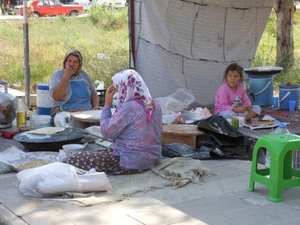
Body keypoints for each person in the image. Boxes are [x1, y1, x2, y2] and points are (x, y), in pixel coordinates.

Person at [64, 69, 163, 175]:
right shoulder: (154, 104)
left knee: (73, 159)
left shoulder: (130, 107)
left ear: (125, 87)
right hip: (153, 158)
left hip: (131, 161)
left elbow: (106, 131)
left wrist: (107, 105)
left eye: (119, 89)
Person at [49, 49, 99, 125]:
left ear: (79, 65)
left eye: (75, 62)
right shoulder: (58, 75)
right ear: (65, 62)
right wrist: (66, 76)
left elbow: (93, 94)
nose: (71, 64)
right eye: (69, 61)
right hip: (64, 113)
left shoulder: (83, 75)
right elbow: (56, 96)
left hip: (85, 113)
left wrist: (96, 106)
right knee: (71, 125)